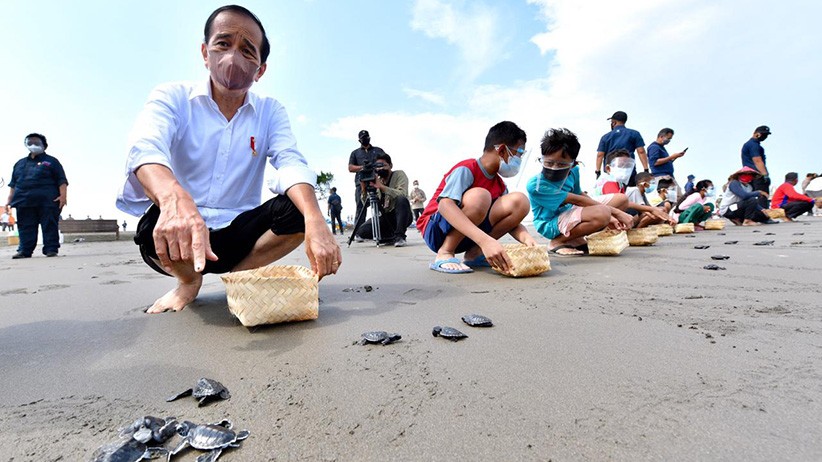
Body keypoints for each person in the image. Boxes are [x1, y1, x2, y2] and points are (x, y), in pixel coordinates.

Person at [116, 5, 340, 314]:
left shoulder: (270, 111)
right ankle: (188, 282)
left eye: (247, 50)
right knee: (150, 226)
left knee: (299, 209)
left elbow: (290, 161)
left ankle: (239, 277)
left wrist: (317, 221)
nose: (233, 57)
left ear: (260, 69)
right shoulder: (173, 97)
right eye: (223, 44)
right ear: (205, 52)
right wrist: (174, 200)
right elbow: (145, 146)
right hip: (180, 234)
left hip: (240, 234)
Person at [417, 121, 537, 272]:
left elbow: (509, 221)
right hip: (437, 231)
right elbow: (445, 205)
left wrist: (526, 238)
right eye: (518, 154)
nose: (519, 160)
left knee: (519, 201)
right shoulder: (467, 169)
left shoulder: (500, 185)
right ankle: (445, 252)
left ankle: (475, 253)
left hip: (469, 235)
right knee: (480, 196)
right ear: (501, 150)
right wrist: (485, 240)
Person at [6, 133, 68, 259]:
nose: (33, 145)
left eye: (37, 142)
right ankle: (24, 250)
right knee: (25, 226)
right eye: (30, 142)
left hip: (48, 200)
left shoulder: (52, 161)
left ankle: (51, 249)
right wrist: (9, 201)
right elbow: (13, 184)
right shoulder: (19, 164)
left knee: (49, 225)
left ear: (44, 145)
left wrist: (63, 196)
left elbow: (62, 180)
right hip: (23, 200)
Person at [593, 150, 671, 228]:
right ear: (608, 168)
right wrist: (650, 209)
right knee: (626, 201)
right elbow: (621, 201)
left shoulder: (619, 183)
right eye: (621, 166)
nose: (625, 169)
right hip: (600, 216)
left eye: (627, 166)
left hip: (606, 213)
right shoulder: (608, 180)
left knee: (656, 212)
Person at [354, 153, 412, 247]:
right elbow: (366, 203)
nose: (380, 169)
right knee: (361, 232)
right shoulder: (377, 179)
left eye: (383, 165)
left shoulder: (399, 174)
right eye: (377, 166)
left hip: (401, 215)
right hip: (385, 217)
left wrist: (381, 187)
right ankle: (389, 236)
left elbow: (402, 194)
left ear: (390, 165)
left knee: (401, 200)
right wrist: (364, 189)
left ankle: (400, 236)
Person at [348, 130, 387, 237]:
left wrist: (377, 167)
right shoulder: (355, 153)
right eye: (363, 138)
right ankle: (358, 234)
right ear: (359, 140)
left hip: (377, 181)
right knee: (361, 208)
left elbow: (386, 163)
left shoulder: (378, 150)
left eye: (367, 137)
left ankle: (385, 230)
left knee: (381, 206)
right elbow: (350, 168)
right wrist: (363, 167)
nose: (365, 139)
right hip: (361, 183)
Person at [595, 111, 648, 186]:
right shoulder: (634, 133)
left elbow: (600, 155)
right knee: (629, 194)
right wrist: (646, 169)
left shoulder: (605, 137)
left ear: (614, 122)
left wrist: (598, 172)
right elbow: (641, 151)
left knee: (614, 194)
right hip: (628, 171)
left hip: (611, 172)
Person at [740, 125, 772, 197]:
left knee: (753, 197)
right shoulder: (754, 145)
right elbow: (757, 161)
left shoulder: (749, 144)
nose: (765, 137)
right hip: (757, 175)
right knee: (762, 196)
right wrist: (765, 175)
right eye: (764, 134)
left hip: (749, 175)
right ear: (757, 134)